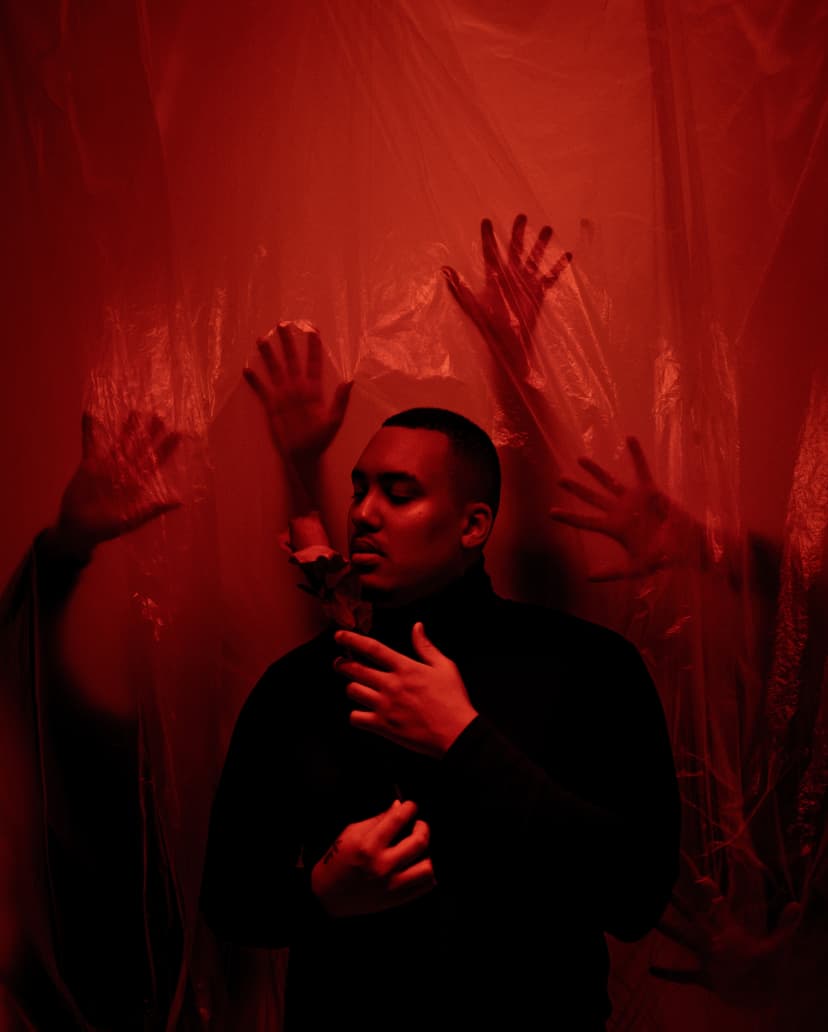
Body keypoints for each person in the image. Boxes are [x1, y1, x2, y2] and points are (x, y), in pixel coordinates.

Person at [199, 363, 681, 1029]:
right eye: (359, 490)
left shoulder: (588, 666)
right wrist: (320, 895)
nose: (363, 514)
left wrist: (465, 742)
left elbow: (634, 897)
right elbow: (228, 900)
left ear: (472, 525)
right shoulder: (299, 685)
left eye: (399, 494)